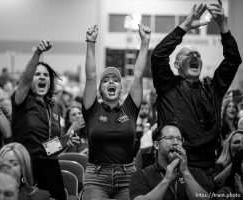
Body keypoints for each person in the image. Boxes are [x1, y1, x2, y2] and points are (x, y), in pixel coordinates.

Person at [151, 1, 242, 176]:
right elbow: (158, 56)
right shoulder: (168, 85)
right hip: (173, 166)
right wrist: (185, 26)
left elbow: (233, 60)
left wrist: (223, 25)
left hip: (207, 168)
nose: (194, 55)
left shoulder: (213, 88)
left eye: (198, 55)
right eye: (188, 54)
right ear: (177, 65)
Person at [81, 24, 150, 200]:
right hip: (97, 178)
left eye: (115, 80)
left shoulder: (130, 108)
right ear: (100, 90)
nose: (111, 82)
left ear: (120, 88)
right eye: (105, 80)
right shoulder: (92, 108)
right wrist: (90, 42)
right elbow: (90, 77)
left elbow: (138, 75)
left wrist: (145, 42)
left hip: (127, 176)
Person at [11, 40, 79, 200]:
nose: (42, 77)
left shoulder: (54, 107)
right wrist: (37, 54)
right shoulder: (22, 100)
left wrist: (65, 142)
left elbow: (51, 146)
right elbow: (25, 80)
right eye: (37, 74)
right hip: (26, 165)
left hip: (50, 166)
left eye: (46, 75)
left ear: (50, 81)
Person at [129, 122, 212, 200]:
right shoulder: (142, 176)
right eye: (170, 138)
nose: (176, 142)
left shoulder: (195, 173)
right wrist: (167, 179)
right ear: (157, 145)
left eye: (179, 139)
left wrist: (185, 172)